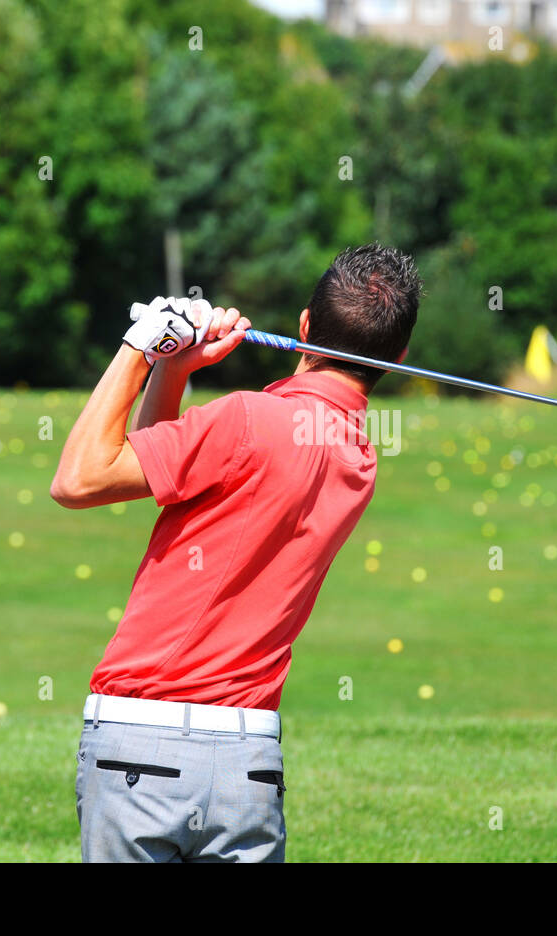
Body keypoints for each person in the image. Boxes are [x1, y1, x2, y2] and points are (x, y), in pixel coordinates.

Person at [50, 243, 422, 862]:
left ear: (304, 325)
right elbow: (153, 462)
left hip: (141, 743)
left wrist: (139, 347)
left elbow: (80, 480)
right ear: (399, 357)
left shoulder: (246, 420)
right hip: (248, 766)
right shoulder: (359, 457)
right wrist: (176, 370)